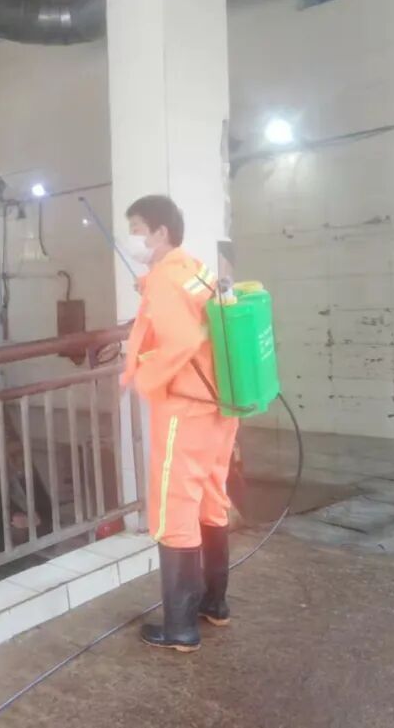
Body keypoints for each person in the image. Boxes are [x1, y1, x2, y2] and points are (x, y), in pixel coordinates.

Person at [120, 194, 240, 652]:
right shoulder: (194, 269)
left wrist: (144, 378)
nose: (131, 237)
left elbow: (183, 339)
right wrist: (150, 286)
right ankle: (214, 604)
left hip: (186, 409)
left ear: (160, 232)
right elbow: (193, 316)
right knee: (210, 497)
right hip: (219, 406)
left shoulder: (167, 281)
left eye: (136, 228)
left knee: (173, 507)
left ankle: (180, 627)